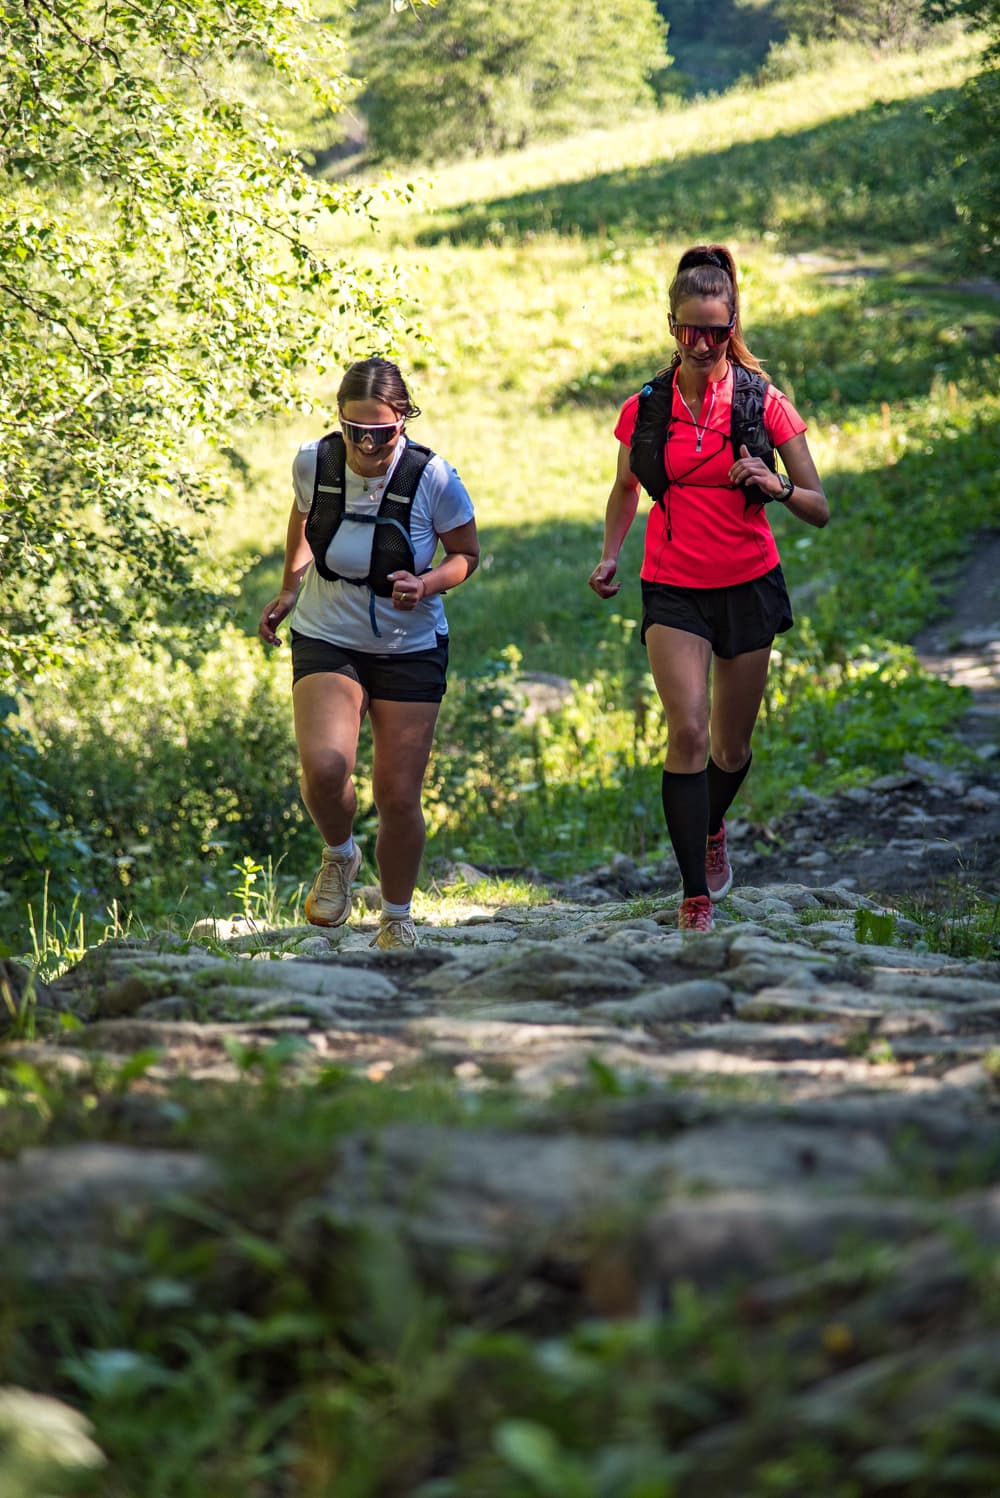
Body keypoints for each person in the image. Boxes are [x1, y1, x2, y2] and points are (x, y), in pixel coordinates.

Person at [588, 244, 829, 932]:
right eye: (689, 329)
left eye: (715, 331)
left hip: (748, 584)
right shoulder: (646, 408)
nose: (701, 343)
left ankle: (712, 823)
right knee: (687, 731)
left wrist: (776, 484)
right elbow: (625, 488)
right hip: (673, 588)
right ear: (671, 325)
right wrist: (611, 555)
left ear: (732, 327)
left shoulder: (763, 402)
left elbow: (818, 504)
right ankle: (695, 895)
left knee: (730, 750)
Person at [259, 356, 479, 949]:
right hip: (327, 630)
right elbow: (304, 518)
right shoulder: (315, 461)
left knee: (398, 794)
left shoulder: (433, 477)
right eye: (354, 429)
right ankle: (339, 856)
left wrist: (426, 583)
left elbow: (467, 555)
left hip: (409, 644)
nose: (365, 443)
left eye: (379, 432)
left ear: (402, 420)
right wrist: (288, 587)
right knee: (325, 769)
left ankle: (397, 916)